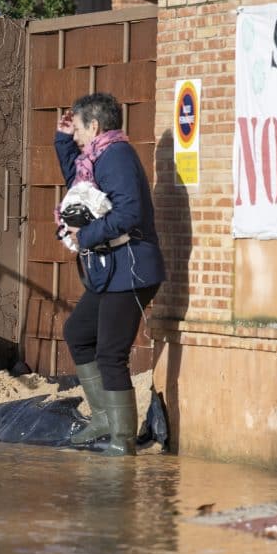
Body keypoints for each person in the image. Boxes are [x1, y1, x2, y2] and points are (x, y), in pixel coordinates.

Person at [56, 92, 166, 456]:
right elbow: (78, 182)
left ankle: (122, 440)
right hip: (112, 271)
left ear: (96, 126)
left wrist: (85, 236)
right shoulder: (96, 156)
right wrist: (62, 138)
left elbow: (129, 212)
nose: (75, 136)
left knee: (110, 353)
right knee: (78, 332)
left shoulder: (116, 157)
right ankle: (103, 416)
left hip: (132, 269)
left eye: (78, 128)